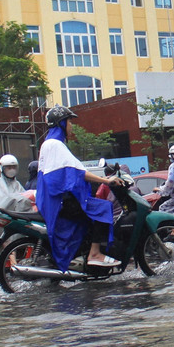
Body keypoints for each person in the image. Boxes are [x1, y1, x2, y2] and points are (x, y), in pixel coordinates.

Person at [36, 106, 121, 272]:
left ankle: (85, 252)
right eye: (69, 121)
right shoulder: (55, 145)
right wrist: (105, 181)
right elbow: (78, 173)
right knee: (103, 207)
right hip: (61, 201)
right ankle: (95, 254)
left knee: (91, 213)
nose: (71, 126)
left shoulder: (48, 144)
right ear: (61, 123)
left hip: (53, 200)